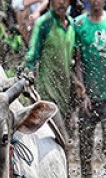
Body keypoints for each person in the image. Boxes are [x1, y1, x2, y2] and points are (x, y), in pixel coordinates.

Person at [25, 0, 78, 130]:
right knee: (63, 137)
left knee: (66, 136)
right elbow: (32, 54)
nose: (61, 2)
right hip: (47, 92)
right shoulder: (44, 23)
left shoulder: (72, 25)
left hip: (65, 91)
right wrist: (28, 73)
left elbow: (74, 58)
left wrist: (77, 81)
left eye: (65, 0)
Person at [74, 0, 106, 178]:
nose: (96, 1)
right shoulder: (79, 24)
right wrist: (82, 91)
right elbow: (77, 61)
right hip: (88, 93)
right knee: (85, 138)